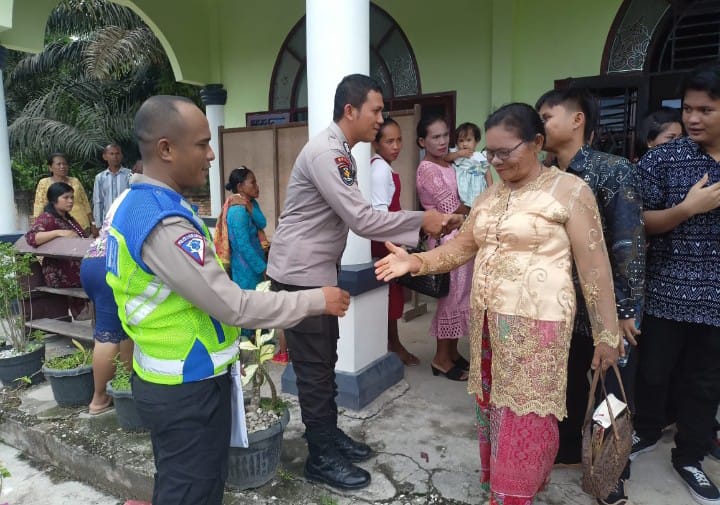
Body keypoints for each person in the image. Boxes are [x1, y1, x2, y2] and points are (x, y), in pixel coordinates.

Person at [105, 95, 351, 505]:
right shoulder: (162, 221)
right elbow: (232, 305)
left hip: (171, 378)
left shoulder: (135, 205)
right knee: (193, 493)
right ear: (166, 148)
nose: (211, 154)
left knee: (181, 485)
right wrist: (315, 301)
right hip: (187, 389)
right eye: (201, 144)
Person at [375, 102, 621, 505]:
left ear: (537, 143)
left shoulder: (570, 191)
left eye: (505, 151)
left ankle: (513, 495)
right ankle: (505, 485)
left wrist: (606, 335)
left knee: (526, 415)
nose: (495, 160)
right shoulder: (489, 196)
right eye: (490, 153)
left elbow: (595, 268)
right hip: (489, 324)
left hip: (539, 326)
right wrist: (414, 261)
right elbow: (460, 249)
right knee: (495, 411)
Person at [265, 74, 461, 490]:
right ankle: (320, 456)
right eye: (375, 110)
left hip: (316, 273)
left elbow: (356, 217)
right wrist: (421, 219)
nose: (381, 119)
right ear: (350, 110)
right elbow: (362, 218)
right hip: (301, 278)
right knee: (315, 370)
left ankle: (328, 436)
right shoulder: (327, 154)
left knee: (325, 360)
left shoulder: (343, 153)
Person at [536, 88, 645, 505]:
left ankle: (609, 471)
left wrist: (623, 312)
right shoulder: (543, 175)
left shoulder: (611, 170)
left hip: (604, 307)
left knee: (611, 391)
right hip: (559, 305)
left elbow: (628, 246)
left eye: (547, 116)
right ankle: (566, 450)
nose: (541, 124)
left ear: (577, 119)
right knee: (564, 383)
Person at [632, 61, 720, 505]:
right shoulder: (664, 158)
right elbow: (638, 223)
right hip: (668, 289)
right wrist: (688, 208)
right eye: (688, 108)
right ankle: (645, 430)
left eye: (705, 109)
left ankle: (690, 455)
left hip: (718, 296)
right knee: (654, 371)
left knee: (706, 382)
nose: (693, 118)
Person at [415, 115, 473, 381]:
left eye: (444, 135)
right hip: (444, 238)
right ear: (422, 141)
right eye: (435, 137)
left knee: (461, 297)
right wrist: (480, 211)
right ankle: (440, 359)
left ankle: (451, 354)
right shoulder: (427, 169)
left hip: (460, 236)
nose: (442, 141)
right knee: (450, 298)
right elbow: (450, 205)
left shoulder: (448, 163)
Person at [369, 117, 420, 366]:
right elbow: (380, 216)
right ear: (376, 143)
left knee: (390, 296)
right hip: (384, 243)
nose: (396, 145)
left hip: (388, 239)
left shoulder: (382, 166)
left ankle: (391, 343)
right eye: (389, 141)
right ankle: (393, 345)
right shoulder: (379, 170)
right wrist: (401, 239)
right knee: (390, 295)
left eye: (399, 139)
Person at [81, 188, 133, 415]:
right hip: (111, 264)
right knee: (109, 334)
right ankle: (99, 399)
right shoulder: (154, 195)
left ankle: (125, 382)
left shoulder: (127, 194)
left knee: (125, 328)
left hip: (94, 258)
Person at [26, 182, 90, 319]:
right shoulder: (47, 218)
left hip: (72, 268)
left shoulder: (67, 217)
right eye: (66, 197)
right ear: (54, 200)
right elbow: (32, 237)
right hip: (58, 273)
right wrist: (58, 232)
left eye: (72, 197)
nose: (70, 201)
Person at [33, 153, 93, 235]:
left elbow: (85, 203)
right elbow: (39, 206)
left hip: (81, 224)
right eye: (59, 164)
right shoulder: (44, 183)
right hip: (59, 225)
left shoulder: (75, 181)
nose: (62, 166)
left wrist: (93, 223)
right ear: (50, 167)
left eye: (64, 164)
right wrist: (37, 226)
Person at [444, 122, 494, 206]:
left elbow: (487, 173)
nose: (465, 144)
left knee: (479, 204)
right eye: (461, 141)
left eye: (468, 140)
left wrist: (490, 190)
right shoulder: (457, 154)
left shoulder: (481, 156)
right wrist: (459, 154)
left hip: (478, 186)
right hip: (462, 185)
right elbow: (446, 158)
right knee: (463, 204)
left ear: (476, 141)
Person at [93, 143, 132, 227]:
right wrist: (98, 224)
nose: (115, 157)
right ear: (105, 157)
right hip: (108, 222)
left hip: (126, 220)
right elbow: (98, 201)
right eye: (111, 154)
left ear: (121, 156)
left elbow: (133, 199)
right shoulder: (100, 177)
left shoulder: (130, 175)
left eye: (117, 153)